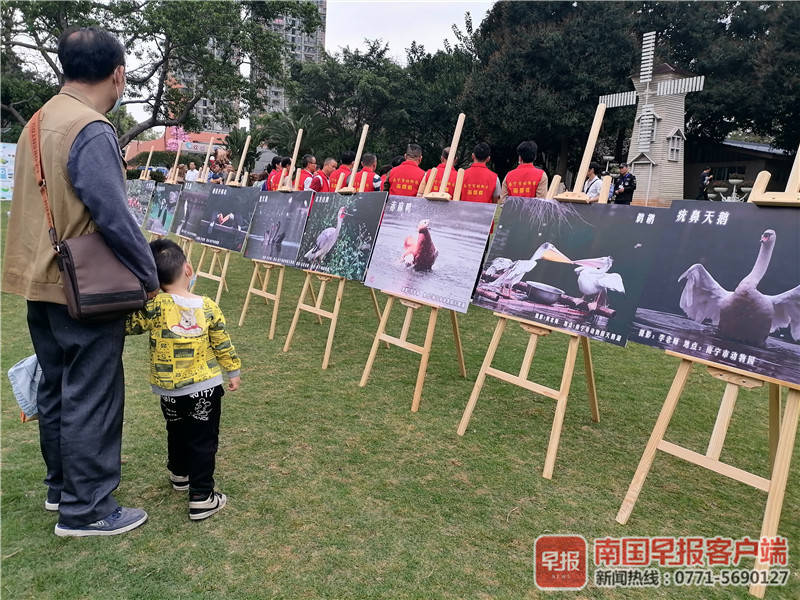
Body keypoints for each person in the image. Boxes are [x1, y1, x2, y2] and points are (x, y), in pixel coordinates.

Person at [2, 26, 159, 537]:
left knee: (58, 387)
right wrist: (150, 275)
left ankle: (63, 487)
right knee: (92, 391)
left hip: (41, 279)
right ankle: (87, 508)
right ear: (118, 75)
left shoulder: (37, 121)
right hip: (84, 286)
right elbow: (113, 215)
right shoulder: (89, 127)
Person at [126, 239, 240, 521]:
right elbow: (222, 343)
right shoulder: (209, 307)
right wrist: (233, 370)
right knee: (203, 440)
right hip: (205, 390)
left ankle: (179, 473)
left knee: (176, 429)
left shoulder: (154, 307)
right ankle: (201, 497)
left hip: (169, 392)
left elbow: (129, 325)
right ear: (188, 269)